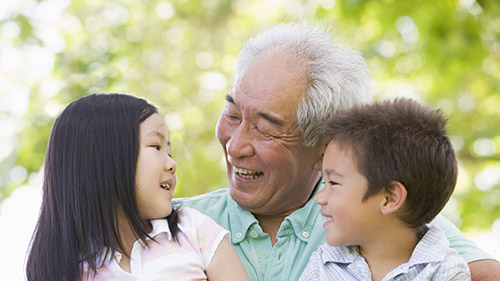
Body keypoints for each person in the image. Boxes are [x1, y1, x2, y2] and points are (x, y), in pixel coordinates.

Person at [174, 22, 500, 281]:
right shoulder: (175, 221)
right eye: (232, 115)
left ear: (325, 147)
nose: (234, 146)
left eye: (266, 128)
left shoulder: (368, 215)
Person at [25, 93, 249, 281]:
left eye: (168, 150)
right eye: (156, 146)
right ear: (106, 160)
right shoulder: (67, 270)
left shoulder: (193, 229)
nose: (172, 164)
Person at [299, 98, 470, 280]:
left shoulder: (447, 271)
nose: (320, 198)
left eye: (333, 183)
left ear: (389, 198)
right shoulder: (323, 264)